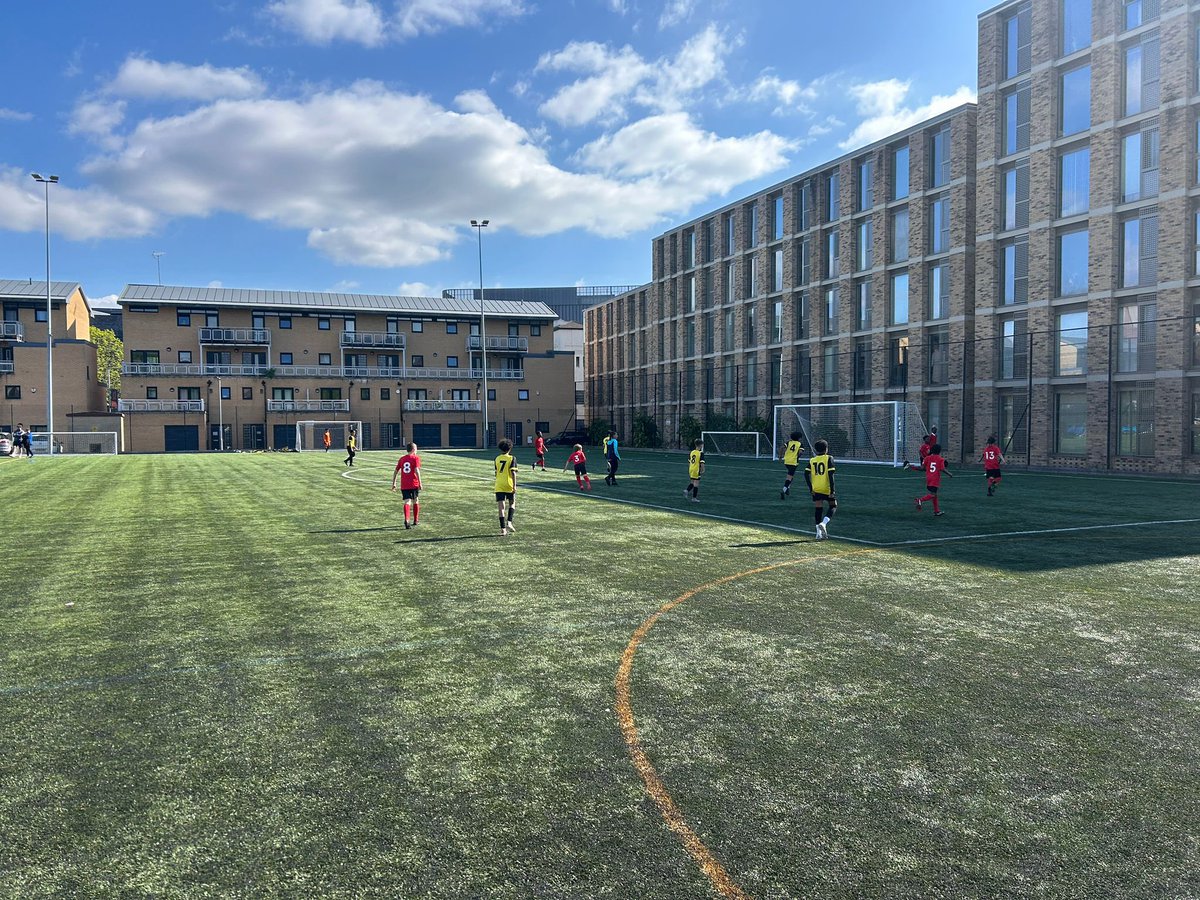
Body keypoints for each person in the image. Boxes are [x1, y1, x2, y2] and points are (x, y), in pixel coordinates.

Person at [804, 438, 837, 540]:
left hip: (816, 488)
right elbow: (831, 475)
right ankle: (824, 523)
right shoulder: (829, 458)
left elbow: (805, 474)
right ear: (826, 449)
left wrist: (811, 488)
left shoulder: (812, 460)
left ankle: (818, 533)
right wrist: (832, 490)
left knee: (818, 508)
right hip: (826, 487)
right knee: (833, 506)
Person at [915, 442, 953, 516]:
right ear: (939, 451)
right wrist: (949, 474)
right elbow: (942, 469)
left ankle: (936, 511)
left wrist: (913, 467)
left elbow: (922, 468)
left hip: (928, 478)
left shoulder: (927, 458)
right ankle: (920, 500)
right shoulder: (940, 459)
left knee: (935, 495)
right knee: (933, 495)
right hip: (935, 479)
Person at [390, 442, 422, 529]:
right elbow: (416, 470)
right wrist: (420, 482)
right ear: (413, 449)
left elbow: (396, 471)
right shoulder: (415, 458)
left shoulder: (402, 459)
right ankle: (415, 520)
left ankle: (407, 519)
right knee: (416, 500)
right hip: (413, 483)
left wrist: (394, 483)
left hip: (404, 485)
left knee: (407, 501)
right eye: (416, 448)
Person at [494, 437, 518, 536]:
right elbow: (513, 473)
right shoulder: (512, 458)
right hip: (508, 483)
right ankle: (509, 522)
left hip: (499, 484)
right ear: (510, 448)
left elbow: (496, 473)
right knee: (512, 503)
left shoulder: (497, 458)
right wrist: (514, 486)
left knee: (501, 507)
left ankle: (503, 529)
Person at [780, 431, 804, 499]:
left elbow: (782, 447)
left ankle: (787, 488)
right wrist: (797, 457)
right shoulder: (800, 444)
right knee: (789, 477)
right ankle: (784, 490)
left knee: (790, 476)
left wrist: (780, 456)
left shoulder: (789, 442)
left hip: (787, 461)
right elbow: (800, 452)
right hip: (793, 462)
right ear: (799, 438)